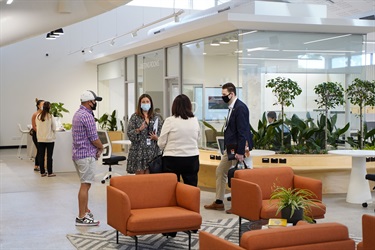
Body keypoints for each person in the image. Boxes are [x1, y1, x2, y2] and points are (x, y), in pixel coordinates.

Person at [204, 82, 253, 214]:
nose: (222, 97)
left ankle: (238, 205)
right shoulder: (232, 107)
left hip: (237, 148)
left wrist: (241, 152)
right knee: (221, 171)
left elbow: (243, 131)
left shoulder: (240, 108)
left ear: (232, 94)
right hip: (230, 147)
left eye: (224, 95)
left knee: (236, 177)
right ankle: (219, 202)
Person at [72, 90, 103, 226]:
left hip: (79, 154)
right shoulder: (87, 116)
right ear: (89, 102)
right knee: (85, 185)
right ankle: (81, 216)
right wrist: (101, 148)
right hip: (86, 156)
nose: (95, 103)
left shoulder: (78, 114)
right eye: (94, 101)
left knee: (85, 184)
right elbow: (94, 138)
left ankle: (85, 211)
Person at [158, 94, 200, 186]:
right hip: (191, 158)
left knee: (171, 187)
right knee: (191, 187)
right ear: (189, 106)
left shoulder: (169, 121)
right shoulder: (195, 120)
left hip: (172, 158)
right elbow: (197, 138)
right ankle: (190, 201)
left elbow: (161, 143)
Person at [127, 94, 162, 174]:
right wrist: (139, 129)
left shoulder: (156, 117)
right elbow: (129, 133)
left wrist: (156, 137)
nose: (145, 103)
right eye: (143, 102)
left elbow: (162, 133)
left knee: (150, 178)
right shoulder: (135, 117)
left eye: (147, 101)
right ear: (140, 104)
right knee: (140, 179)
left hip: (152, 152)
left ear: (151, 103)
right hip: (139, 151)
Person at [35, 101, 56, 177]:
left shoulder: (38, 116)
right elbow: (54, 127)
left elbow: (37, 126)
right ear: (49, 107)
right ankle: (50, 172)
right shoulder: (50, 116)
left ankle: (42, 172)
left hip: (40, 138)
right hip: (49, 139)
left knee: (41, 155)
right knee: (49, 156)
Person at [31, 98, 44, 172]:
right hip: (36, 134)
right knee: (39, 149)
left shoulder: (45, 114)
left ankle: (37, 165)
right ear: (38, 106)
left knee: (41, 150)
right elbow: (34, 126)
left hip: (43, 134)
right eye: (42, 104)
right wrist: (40, 132)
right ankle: (36, 165)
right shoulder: (35, 114)